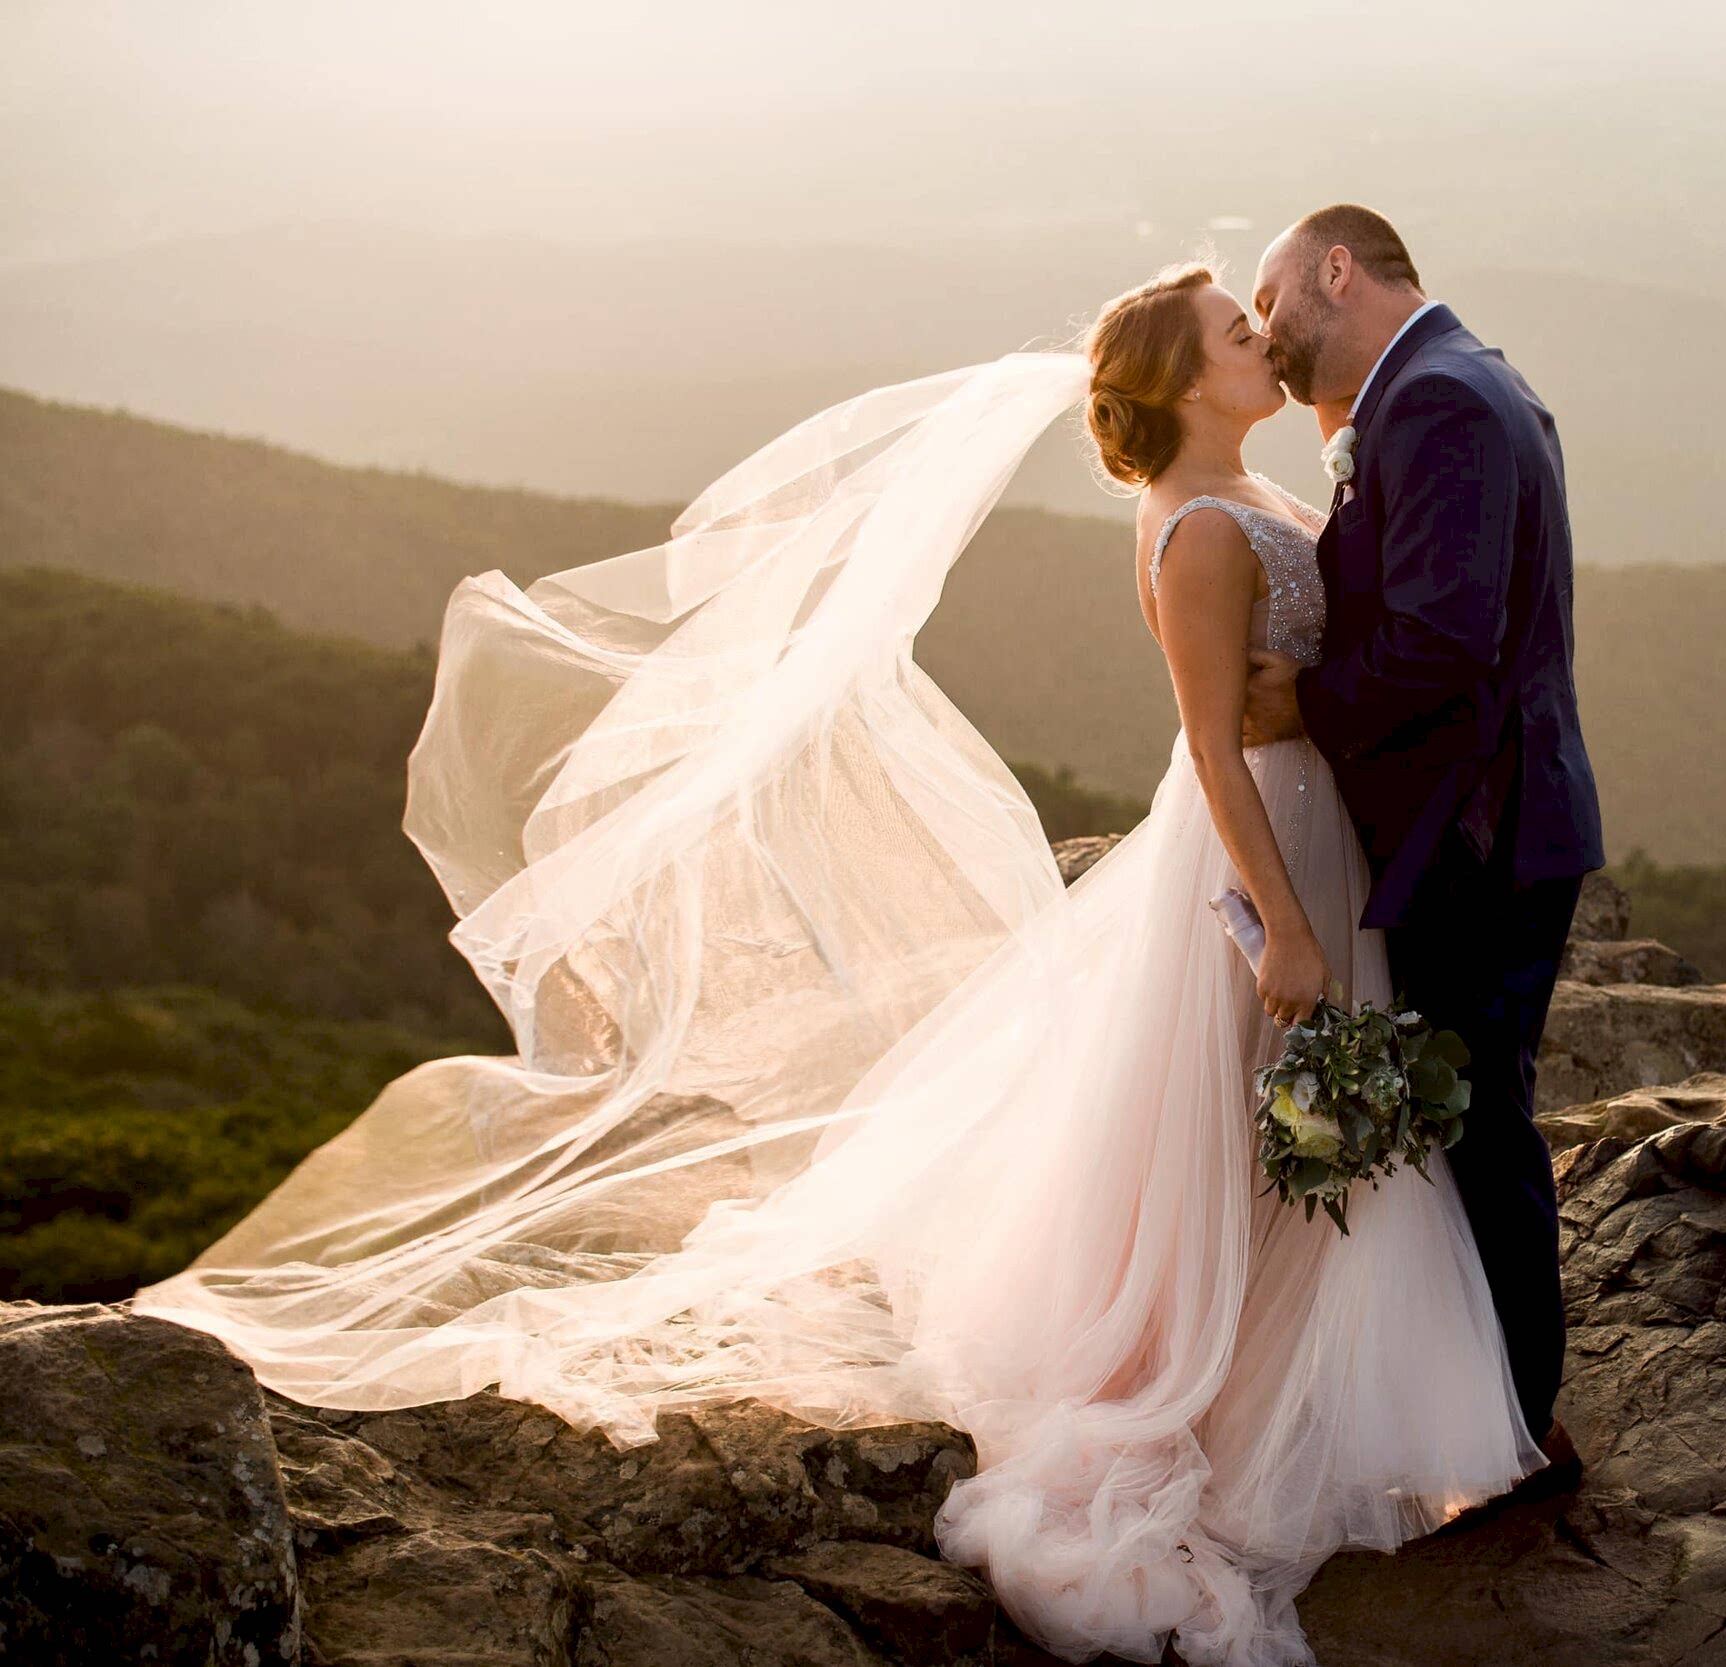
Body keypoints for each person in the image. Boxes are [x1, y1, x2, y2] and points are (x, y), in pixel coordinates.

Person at [133, 232, 1576, 1665]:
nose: (1261, 336)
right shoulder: (1199, 529)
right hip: (1270, 847)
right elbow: (1211, 745)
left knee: (1287, 1144)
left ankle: (1305, 1389)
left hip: (1335, 829)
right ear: (1184, 381)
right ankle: (1221, 1394)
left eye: (1259, 316)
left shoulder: (1258, 484)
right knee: (1237, 1137)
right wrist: (1286, 923)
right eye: (1232, 329)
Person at [1245, 206, 1607, 1497]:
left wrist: (1302, 704)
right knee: (1461, 1126)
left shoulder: (1439, 404)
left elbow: (1446, 643)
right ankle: (1493, 1416)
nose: (1265, 329)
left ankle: (1515, 1435)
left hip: (1480, 838)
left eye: (1272, 292)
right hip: (1484, 826)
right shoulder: (1448, 384)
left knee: (1477, 1133)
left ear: (1336, 270)